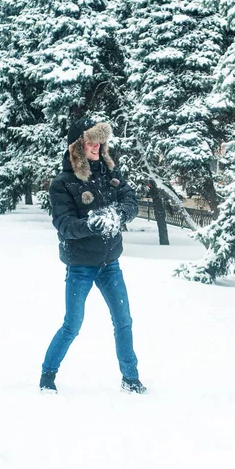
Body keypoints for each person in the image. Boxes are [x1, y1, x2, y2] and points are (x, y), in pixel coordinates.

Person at [39, 117, 146, 394]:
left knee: (124, 321)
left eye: (99, 141)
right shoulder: (63, 183)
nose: (96, 146)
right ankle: (47, 374)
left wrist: (116, 215)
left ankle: (131, 378)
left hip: (110, 263)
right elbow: (63, 225)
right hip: (80, 266)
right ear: (77, 147)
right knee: (72, 325)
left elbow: (130, 201)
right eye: (90, 141)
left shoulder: (109, 174)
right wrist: (91, 224)